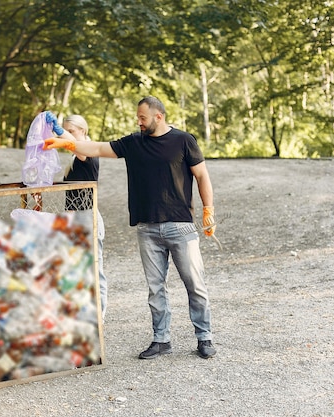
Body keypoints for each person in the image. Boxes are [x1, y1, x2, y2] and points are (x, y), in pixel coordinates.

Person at [44, 96, 218, 359]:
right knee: (155, 288)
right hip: (147, 227)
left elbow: (202, 174)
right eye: (137, 117)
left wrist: (208, 209)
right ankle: (161, 340)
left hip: (180, 225)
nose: (138, 122)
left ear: (158, 116)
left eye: (142, 118)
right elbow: (99, 149)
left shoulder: (184, 140)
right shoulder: (134, 142)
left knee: (195, 283)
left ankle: (204, 337)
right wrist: (69, 142)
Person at [61, 114, 109, 321]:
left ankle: (99, 314)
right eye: (66, 131)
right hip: (74, 218)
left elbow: (76, 148)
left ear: (83, 130)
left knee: (94, 267)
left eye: (71, 131)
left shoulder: (87, 151)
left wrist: (60, 133)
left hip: (88, 217)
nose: (67, 136)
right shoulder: (75, 156)